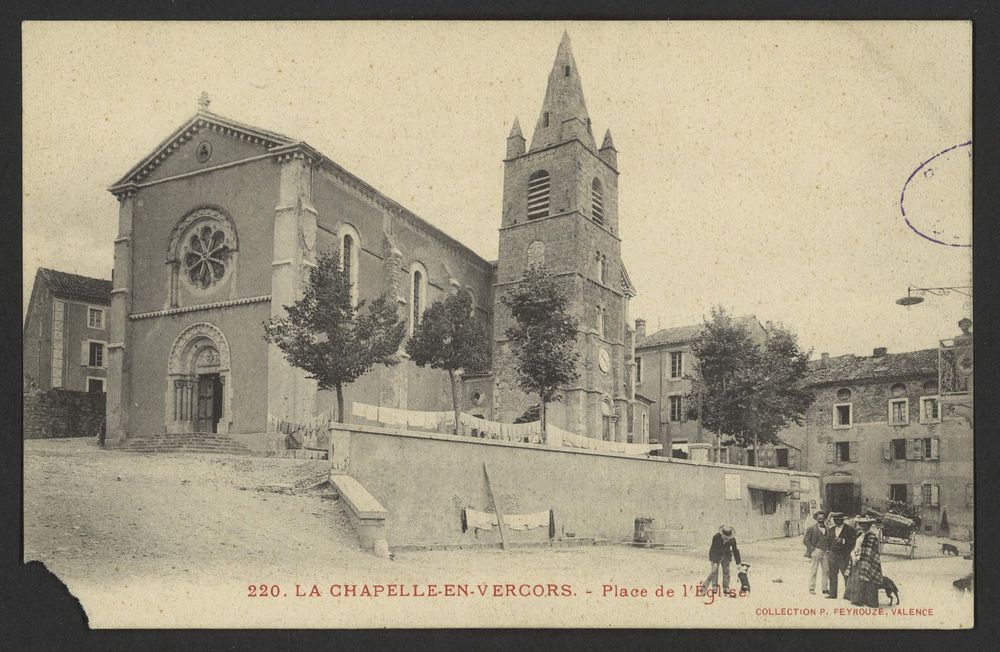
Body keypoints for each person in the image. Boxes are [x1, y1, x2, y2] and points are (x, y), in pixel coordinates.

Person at [849, 516, 883, 607]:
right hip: (858, 558)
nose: (863, 527)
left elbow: (871, 551)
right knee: (858, 579)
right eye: (862, 525)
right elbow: (856, 547)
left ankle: (870, 601)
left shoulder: (872, 536)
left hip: (867, 560)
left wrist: (860, 557)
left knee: (868, 578)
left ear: (869, 525)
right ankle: (858, 600)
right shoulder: (860, 535)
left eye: (866, 525)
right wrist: (854, 555)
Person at [825, 512, 858, 599]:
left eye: (838, 520)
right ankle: (833, 594)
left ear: (842, 520)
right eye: (835, 520)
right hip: (833, 555)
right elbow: (828, 541)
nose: (836, 521)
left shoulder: (850, 530)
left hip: (844, 556)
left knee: (846, 574)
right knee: (832, 575)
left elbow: (853, 542)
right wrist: (829, 552)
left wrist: (843, 541)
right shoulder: (831, 529)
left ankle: (848, 595)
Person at [702, 525, 742, 596]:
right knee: (714, 571)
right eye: (725, 538)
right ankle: (714, 587)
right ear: (722, 535)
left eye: (728, 538)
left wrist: (738, 563)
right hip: (716, 555)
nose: (727, 540)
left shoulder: (732, 540)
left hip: (726, 555)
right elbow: (713, 550)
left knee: (726, 571)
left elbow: (735, 551)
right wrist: (715, 562)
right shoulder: (716, 537)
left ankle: (726, 588)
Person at [803, 510, 831, 594]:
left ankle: (825, 588)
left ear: (825, 519)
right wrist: (812, 549)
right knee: (814, 570)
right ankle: (811, 588)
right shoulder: (811, 529)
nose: (821, 520)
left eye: (822, 518)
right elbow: (805, 540)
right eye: (819, 519)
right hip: (816, 551)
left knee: (826, 570)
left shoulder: (827, 528)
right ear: (816, 519)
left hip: (825, 552)